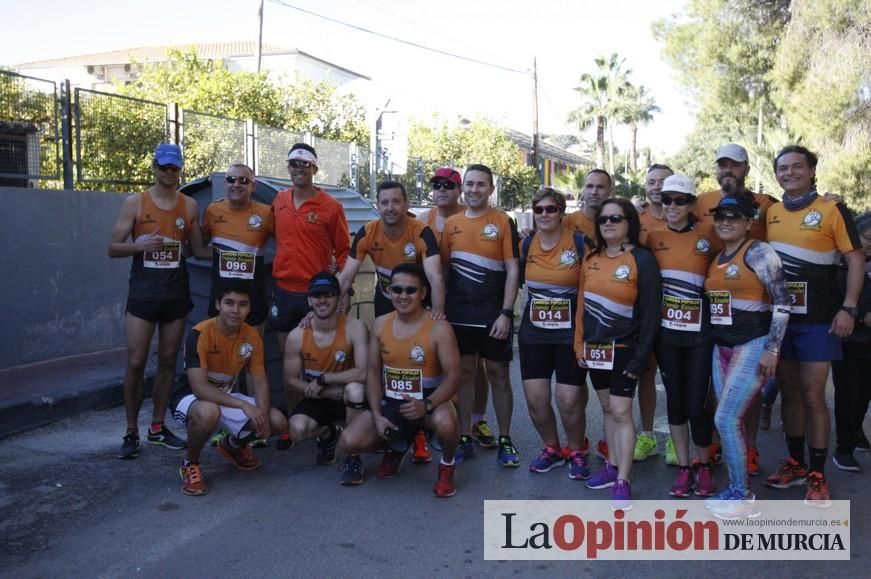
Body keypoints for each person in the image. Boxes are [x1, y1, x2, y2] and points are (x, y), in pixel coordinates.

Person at [764, 146, 864, 507]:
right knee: (788, 392)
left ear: (810, 171)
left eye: (796, 167)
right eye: (782, 168)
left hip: (819, 320)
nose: (789, 173)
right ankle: (795, 464)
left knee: (812, 395)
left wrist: (849, 308)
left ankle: (819, 474)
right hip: (781, 320)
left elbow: (854, 259)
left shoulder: (831, 209)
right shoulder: (771, 211)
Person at [107, 143, 205, 459]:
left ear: (180, 170)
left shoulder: (189, 205)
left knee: (167, 361)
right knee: (136, 362)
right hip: (144, 292)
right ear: (154, 167)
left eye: (173, 167)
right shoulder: (135, 202)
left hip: (175, 291)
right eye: (163, 166)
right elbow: (112, 247)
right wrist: (140, 246)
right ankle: (131, 431)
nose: (168, 172)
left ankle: (158, 427)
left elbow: (196, 250)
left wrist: (240, 253)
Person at [338, 264, 462, 496]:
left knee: (446, 422)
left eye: (410, 290)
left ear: (423, 293)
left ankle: (447, 464)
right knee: (349, 441)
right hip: (393, 404)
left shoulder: (439, 328)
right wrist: (376, 416)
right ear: (388, 291)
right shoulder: (380, 324)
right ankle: (398, 446)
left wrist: (426, 405)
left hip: (430, 403)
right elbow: (373, 373)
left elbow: (455, 377)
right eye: (397, 290)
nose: (403, 296)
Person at [703, 195, 790, 519]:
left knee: (725, 419)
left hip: (752, 345)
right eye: (721, 216)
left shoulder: (758, 252)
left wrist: (772, 348)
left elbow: (783, 302)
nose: (726, 222)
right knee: (730, 420)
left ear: (749, 221)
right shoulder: (717, 257)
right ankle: (735, 487)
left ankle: (743, 495)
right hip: (721, 346)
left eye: (734, 217)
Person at [574, 197, 661, 510]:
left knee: (622, 412)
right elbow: (582, 304)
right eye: (603, 220)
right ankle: (611, 466)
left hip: (626, 349)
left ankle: (624, 478)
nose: (608, 223)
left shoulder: (643, 259)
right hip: (595, 349)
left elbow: (651, 314)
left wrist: (641, 358)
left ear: (629, 224)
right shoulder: (592, 258)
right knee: (607, 408)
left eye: (616, 218)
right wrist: (578, 344)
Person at [171, 282, 287, 496]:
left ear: (249, 308)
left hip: (224, 397)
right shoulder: (200, 334)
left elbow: (259, 379)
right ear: (217, 305)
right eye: (229, 303)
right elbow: (200, 389)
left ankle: (233, 445)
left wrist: (261, 412)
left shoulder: (252, 336)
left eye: (242, 304)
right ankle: (190, 463)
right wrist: (244, 405)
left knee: (276, 420)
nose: (235, 310)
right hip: (189, 398)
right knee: (208, 412)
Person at [270, 143, 351, 446]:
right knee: (290, 361)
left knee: (325, 362)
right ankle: (295, 422)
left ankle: (332, 423)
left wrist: (343, 291)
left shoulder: (331, 207)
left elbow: (344, 252)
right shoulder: (278, 201)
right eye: (293, 163)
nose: (299, 169)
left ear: (315, 169)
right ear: (288, 167)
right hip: (283, 292)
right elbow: (263, 233)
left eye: (305, 164)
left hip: (318, 297)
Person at [645, 174, 720, 497]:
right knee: (675, 401)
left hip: (701, 333)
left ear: (692, 204)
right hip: (667, 335)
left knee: (695, 404)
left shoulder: (709, 233)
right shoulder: (653, 237)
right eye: (666, 200)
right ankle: (685, 467)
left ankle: (705, 466)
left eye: (679, 200)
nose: (672, 206)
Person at [441, 164, 521, 467]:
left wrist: (505, 313)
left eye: (481, 184)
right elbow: (444, 270)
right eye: (470, 184)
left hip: (493, 316)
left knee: (499, 376)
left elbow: (513, 269)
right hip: (459, 315)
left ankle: (505, 439)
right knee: (464, 375)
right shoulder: (452, 224)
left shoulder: (502, 221)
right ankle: (463, 437)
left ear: (491, 188)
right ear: (463, 188)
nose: (475, 189)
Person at [419, 167, 498, 451]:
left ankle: (477, 419)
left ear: (459, 190)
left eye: (448, 185)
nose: (442, 189)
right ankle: (436, 420)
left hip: (469, 302)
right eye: (437, 184)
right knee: (435, 361)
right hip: (436, 301)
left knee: (474, 366)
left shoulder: (471, 215)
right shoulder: (423, 220)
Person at [519, 188, 590, 480]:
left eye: (551, 209)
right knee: (536, 400)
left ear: (562, 212)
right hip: (534, 330)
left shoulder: (579, 242)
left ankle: (577, 451)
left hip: (570, 331)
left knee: (569, 399)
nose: (545, 214)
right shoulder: (526, 244)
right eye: (539, 210)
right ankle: (551, 448)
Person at [283, 272, 368, 482]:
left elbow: (363, 372)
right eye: (317, 295)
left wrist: (324, 380)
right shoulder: (297, 335)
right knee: (297, 430)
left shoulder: (355, 327)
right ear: (309, 299)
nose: (322, 300)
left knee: (355, 390)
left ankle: (353, 456)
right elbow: (291, 379)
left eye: (328, 294)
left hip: (348, 396)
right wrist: (321, 389)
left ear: (338, 298)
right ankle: (329, 434)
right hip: (321, 396)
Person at [338, 180, 444, 319]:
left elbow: (436, 278)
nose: (390, 207)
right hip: (385, 298)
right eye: (385, 202)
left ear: (407, 205)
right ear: (377, 206)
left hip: (417, 301)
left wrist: (437, 314)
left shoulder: (422, 232)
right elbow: (346, 277)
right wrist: (327, 307)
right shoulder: (367, 232)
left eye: (396, 201)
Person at [565, 169, 612, 461]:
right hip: (570, 311)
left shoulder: (617, 218)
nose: (594, 191)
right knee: (576, 382)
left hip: (606, 315)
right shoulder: (568, 222)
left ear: (610, 190)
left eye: (600, 187)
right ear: (583, 189)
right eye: (590, 186)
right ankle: (578, 439)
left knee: (607, 389)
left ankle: (610, 441)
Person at [201, 163, 273, 330]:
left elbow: (288, 243)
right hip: (222, 297)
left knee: (251, 352)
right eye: (231, 179)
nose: (236, 184)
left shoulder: (267, 213)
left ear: (253, 186)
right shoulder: (213, 210)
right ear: (225, 183)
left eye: (243, 181)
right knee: (220, 351)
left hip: (253, 296)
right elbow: (197, 249)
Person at [635, 163, 674, 464]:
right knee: (645, 374)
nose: (657, 186)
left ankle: (678, 437)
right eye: (652, 181)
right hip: (645, 310)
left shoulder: (689, 213)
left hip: (680, 310)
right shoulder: (635, 219)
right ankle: (646, 436)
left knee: (677, 377)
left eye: (663, 181)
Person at [831, 211, 871, 472]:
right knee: (848, 396)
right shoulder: (839, 264)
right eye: (867, 238)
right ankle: (843, 449)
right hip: (846, 342)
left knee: (864, 397)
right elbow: (835, 303)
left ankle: (855, 432)